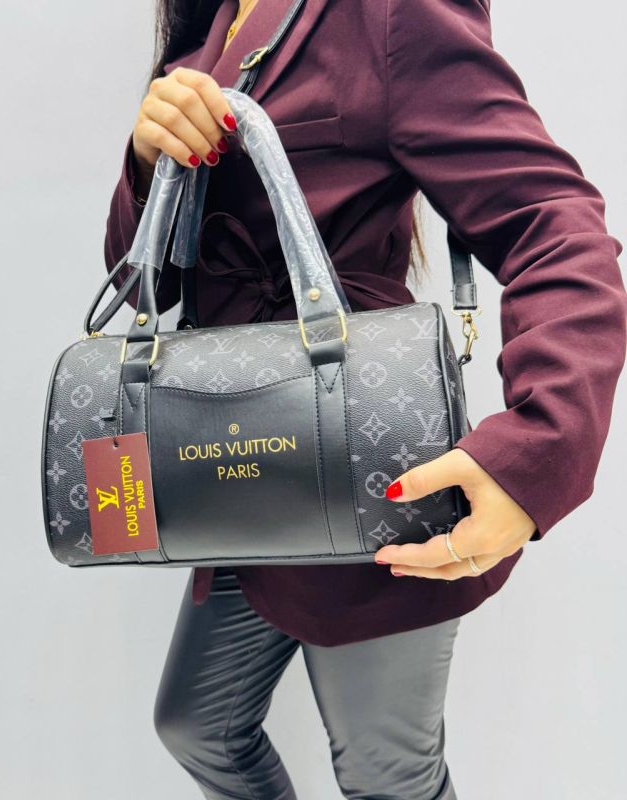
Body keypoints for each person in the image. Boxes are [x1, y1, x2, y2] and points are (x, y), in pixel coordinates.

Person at [102, 1, 627, 797]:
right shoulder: (208, 33)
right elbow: (145, 282)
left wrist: (540, 447)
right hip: (237, 467)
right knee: (197, 725)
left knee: (386, 776)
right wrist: (148, 163)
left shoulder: (387, 13)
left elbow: (553, 226)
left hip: (364, 459)